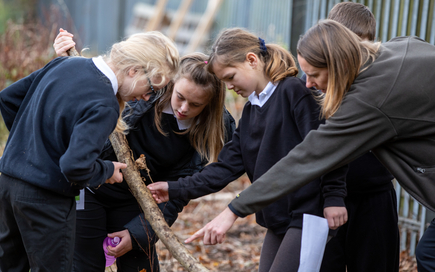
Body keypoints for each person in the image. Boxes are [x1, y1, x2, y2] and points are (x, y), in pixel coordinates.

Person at [169, 20, 435, 271]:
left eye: (314, 74)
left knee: (425, 255)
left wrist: (235, 209)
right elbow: (228, 165)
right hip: (280, 215)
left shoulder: (317, 96)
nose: (309, 83)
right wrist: (174, 189)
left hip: (312, 212)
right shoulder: (251, 110)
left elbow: (314, 155)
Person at [148, 28, 348, 272]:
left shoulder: (294, 92)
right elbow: (224, 168)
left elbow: (327, 148)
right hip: (277, 219)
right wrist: (173, 188)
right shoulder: (252, 111)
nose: (230, 86)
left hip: (308, 215)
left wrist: (334, 196)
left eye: (231, 77)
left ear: (251, 60)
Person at [0, 31, 179, 272]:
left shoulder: (65, 64)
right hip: (46, 200)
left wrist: (31, 148)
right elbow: (75, 167)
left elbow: (8, 98)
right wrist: (106, 170)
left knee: (11, 268)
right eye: (152, 88)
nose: (147, 97)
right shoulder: (105, 103)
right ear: (134, 70)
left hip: (8, 184)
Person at [53, 31, 235, 272]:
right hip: (92, 187)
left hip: (139, 201)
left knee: (141, 265)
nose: (183, 108)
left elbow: (178, 192)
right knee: (84, 264)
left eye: (195, 105)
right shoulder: (142, 94)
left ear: (209, 105)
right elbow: (100, 81)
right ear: (171, 84)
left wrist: (139, 233)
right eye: (180, 97)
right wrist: (66, 60)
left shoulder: (211, 130)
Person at [315, 2, 399, 272]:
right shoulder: (317, 81)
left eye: (359, 46)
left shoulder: (384, 81)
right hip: (326, 198)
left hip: (375, 195)